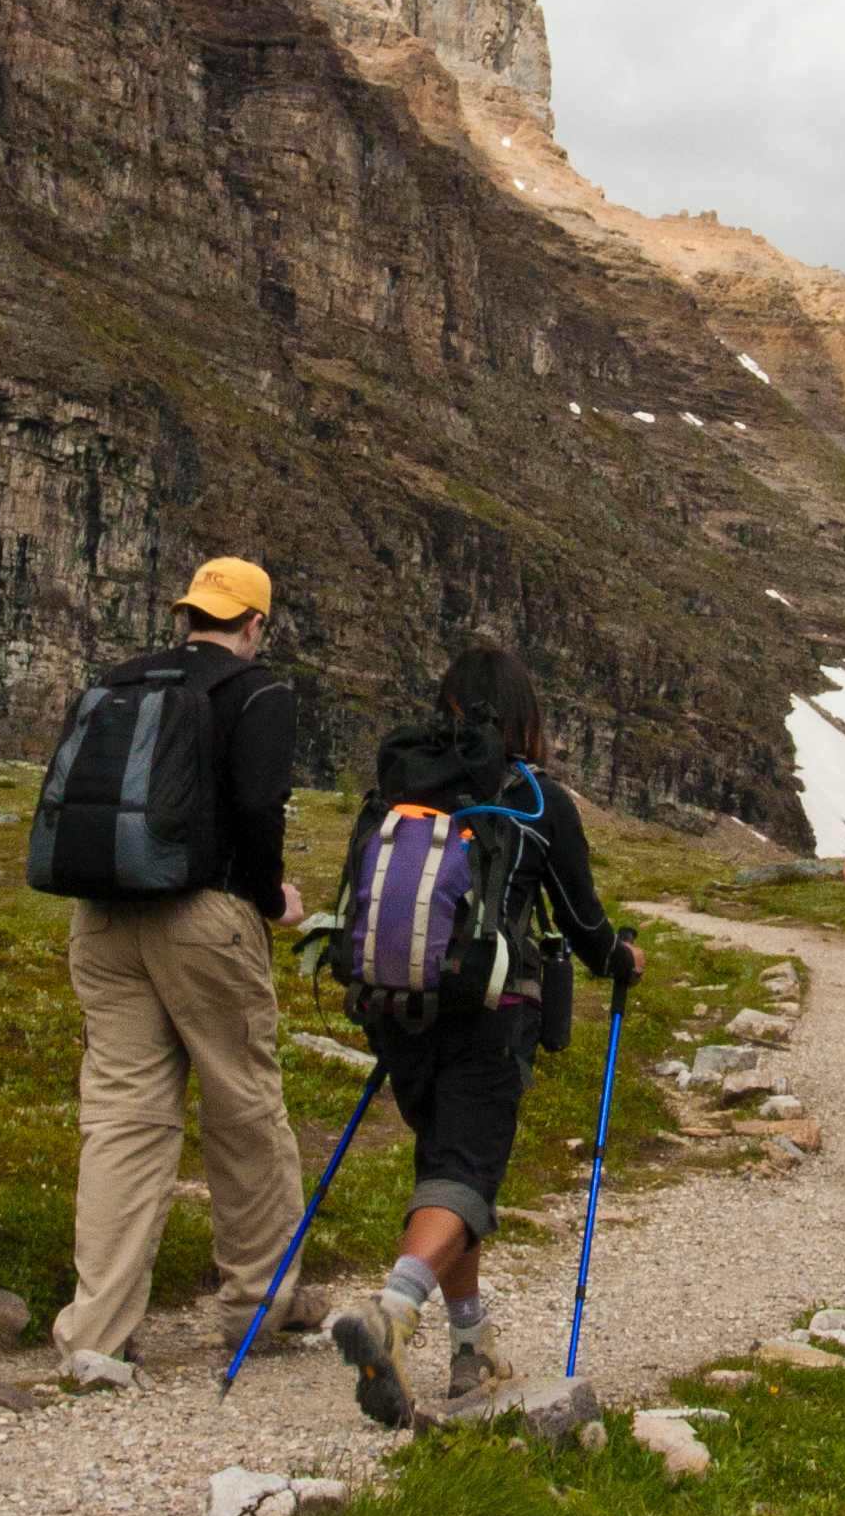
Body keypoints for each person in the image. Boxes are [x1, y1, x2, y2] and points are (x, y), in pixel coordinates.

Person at [330, 645, 641, 1427]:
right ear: (524, 715)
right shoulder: (533, 799)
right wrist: (621, 959)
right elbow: (582, 919)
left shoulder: (400, 786)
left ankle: (472, 1347)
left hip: (396, 1008)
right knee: (467, 1173)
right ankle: (393, 1313)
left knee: (446, 1167)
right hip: (491, 1014)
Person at [53, 557, 328, 1372]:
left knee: (123, 1122)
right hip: (203, 916)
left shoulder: (124, 680)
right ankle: (255, 1309)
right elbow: (255, 805)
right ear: (254, 625)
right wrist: (269, 894)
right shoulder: (256, 690)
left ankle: (96, 1333)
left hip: (102, 915)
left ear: (190, 614)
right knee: (244, 1111)